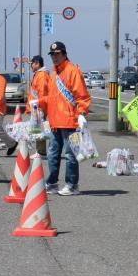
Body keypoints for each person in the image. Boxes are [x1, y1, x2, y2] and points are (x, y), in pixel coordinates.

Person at [38, 41, 92, 196]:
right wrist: (40, 105)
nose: (54, 57)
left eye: (57, 54)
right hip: (55, 121)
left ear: (64, 54)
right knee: (53, 153)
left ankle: (72, 184)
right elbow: (51, 97)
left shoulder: (72, 71)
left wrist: (81, 113)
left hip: (70, 120)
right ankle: (52, 183)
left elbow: (82, 96)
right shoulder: (54, 74)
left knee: (71, 154)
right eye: (52, 55)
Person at [27, 55, 50, 156]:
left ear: (37, 63)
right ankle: (40, 151)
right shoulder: (38, 74)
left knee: (39, 129)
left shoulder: (42, 75)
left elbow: (43, 92)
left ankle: (41, 152)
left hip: (39, 107)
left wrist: (40, 106)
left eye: (32, 63)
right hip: (36, 107)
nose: (31, 66)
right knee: (37, 129)